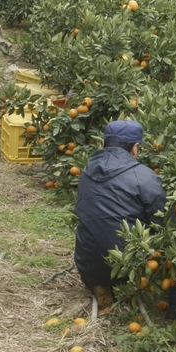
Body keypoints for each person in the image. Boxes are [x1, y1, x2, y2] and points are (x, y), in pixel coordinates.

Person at [74, 120, 165, 313]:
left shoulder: (86, 172)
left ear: (103, 144)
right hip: (129, 266)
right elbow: (162, 223)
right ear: (135, 148)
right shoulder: (146, 177)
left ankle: (100, 283)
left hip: (87, 263)